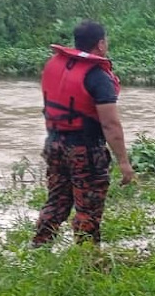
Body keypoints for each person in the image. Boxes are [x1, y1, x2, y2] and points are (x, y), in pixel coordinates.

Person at [33, 20, 135, 246]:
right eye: (105, 41)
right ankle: (87, 262)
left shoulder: (54, 64)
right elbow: (111, 125)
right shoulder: (98, 76)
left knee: (56, 201)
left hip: (54, 144)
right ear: (100, 44)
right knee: (88, 208)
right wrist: (124, 163)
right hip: (85, 149)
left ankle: (38, 248)